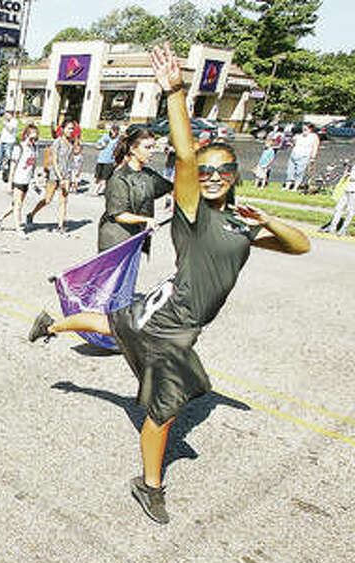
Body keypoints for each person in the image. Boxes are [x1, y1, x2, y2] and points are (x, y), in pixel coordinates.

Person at [27, 44, 310, 525]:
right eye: (206, 171)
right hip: (170, 325)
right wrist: (176, 93)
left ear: (236, 175)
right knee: (165, 406)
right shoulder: (193, 213)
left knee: (111, 324)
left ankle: (51, 324)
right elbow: (182, 155)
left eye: (224, 169)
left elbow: (299, 245)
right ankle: (149, 484)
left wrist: (268, 219)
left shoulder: (242, 226)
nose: (213, 175)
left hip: (162, 312)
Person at [97, 126, 173, 252]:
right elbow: (119, 214)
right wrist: (146, 219)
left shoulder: (148, 175)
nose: (152, 152)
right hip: (115, 240)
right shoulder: (119, 178)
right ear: (133, 149)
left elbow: (171, 187)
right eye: (147, 147)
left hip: (136, 238)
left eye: (153, 147)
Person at [27, 119, 76, 234]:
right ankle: (31, 214)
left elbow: (71, 161)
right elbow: (54, 161)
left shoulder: (71, 143)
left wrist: (71, 178)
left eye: (72, 128)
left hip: (66, 175)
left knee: (63, 201)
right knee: (47, 199)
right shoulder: (57, 142)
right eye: (69, 128)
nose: (71, 130)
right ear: (62, 129)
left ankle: (60, 226)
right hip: (55, 175)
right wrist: (60, 178)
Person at [0, 123, 40, 233]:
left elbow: (33, 166)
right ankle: (19, 228)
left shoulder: (34, 148)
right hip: (18, 179)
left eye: (36, 138)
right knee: (18, 205)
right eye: (32, 137)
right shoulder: (19, 147)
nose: (34, 140)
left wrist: (35, 181)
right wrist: (10, 183)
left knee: (15, 204)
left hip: (27, 180)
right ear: (26, 135)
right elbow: (13, 167)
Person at [321, 162, 355, 234]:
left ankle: (343, 229)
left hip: (353, 191)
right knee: (338, 208)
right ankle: (332, 227)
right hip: (347, 188)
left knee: (350, 210)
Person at [284, 123, 319, 192]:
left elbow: (315, 147)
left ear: (310, 129)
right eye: (303, 129)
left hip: (304, 156)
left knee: (299, 172)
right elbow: (293, 143)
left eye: (305, 129)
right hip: (294, 155)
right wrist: (290, 144)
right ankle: (287, 186)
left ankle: (295, 187)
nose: (304, 130)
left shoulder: (313, 136)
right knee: (290, 171)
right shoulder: (298, 136)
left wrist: (313, 157)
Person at [93, 124, 121, 195]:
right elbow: (96, 145)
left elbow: (119, 150)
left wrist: (116, 160)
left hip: (110, 161)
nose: (114, 132)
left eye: (116, 131)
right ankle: (101, 188)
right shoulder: (105, 137)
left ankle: (97, 190)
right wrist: (101, 146)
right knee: (97, 177)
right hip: (101, 159)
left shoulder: (118, 140)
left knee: (104, 177)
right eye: (113, 130)